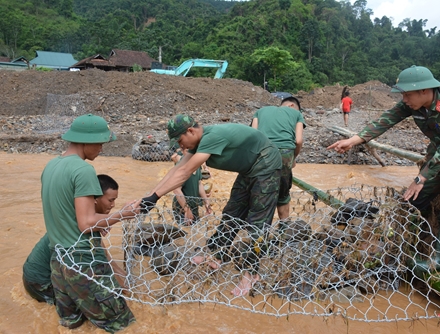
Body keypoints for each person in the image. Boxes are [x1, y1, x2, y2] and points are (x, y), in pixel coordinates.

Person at [327, 65, 440, 275]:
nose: (404, 99)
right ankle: (407, 243)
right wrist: (353, 140)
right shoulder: (413, 104)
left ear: (425, 90)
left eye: (407, 94)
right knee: (413, 200)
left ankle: (438, 261)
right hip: (438, 152)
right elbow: (385, 120)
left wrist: (420, 177)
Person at [141, 114, 282, 297]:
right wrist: (149, 197)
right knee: (231, 213)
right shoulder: (197, 143)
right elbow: (176, 170)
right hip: (249, 169)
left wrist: (155, 197)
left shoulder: (212, 137)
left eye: (180, 140)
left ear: (190, 131)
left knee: (257, 222)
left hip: (267, 165)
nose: (180, 146)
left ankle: (251, 274)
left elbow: (185, 172)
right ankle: (217, 255)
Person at [42, 114, 139, 331]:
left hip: (58, 263)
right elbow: (86, 223)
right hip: (84, 262)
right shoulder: (83, 169)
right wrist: (123, 214)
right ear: (85, 140)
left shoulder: (51, 166)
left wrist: (104, 220)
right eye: (100, 143)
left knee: (73, 325)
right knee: (122, 324)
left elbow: (66, 214)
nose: (102, 148)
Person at [23, 174, 129, 305]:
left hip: (32, 275)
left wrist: (126, 278)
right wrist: (130, 292)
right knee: (101, 305)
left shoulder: (80, 216)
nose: (113, 205)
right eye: (110, 200)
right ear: (94, 199)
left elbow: (107, 258)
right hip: (40, 283)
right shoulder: (84, 225)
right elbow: (106, 266)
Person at [251, 95, 305, 220]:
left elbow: (253, 136)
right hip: (285, 154)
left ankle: (257, 234)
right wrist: (293, 158)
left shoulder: (260, 111)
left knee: (259, 192)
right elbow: (298, 140)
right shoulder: (296, 114)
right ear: (292, 106)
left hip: (262, 153)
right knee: (283, 196)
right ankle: (283, 231)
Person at [169, 144, 212, 225]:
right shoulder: (181, 167)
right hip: (182, 208)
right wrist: (186, 210)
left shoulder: (197, 165)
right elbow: (177, 190)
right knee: (184, 232)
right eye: (188, 150)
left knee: (195, 230)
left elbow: (199, 184)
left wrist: (206, 202)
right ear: (183, 151)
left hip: (194, 205)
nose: (191, 153)